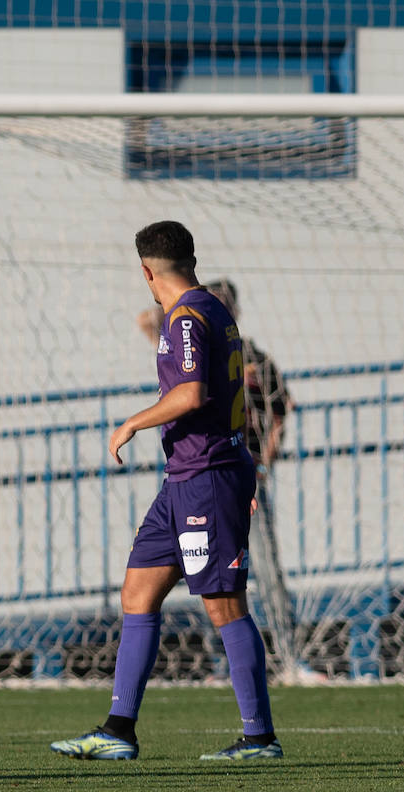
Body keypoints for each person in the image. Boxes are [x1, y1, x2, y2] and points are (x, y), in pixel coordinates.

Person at [51, 220, 282, 762]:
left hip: (205, 479)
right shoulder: (216, 308)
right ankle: (117, 731)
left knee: (224, 606)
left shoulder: (184, 317)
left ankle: (258, 738)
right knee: (137, 594)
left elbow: (192, 393)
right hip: (186, 478)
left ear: (147, 271)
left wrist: (132, 422)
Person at [207, 278, 297, 676]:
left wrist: (264, 461)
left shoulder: (256, 360)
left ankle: (289, 655)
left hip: (247, 479)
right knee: (213, 570)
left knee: (266, 568)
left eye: (225, 304)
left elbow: (282, 407)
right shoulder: (199, 353)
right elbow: (146, 320)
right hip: (209, 479)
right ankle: (222, 662)